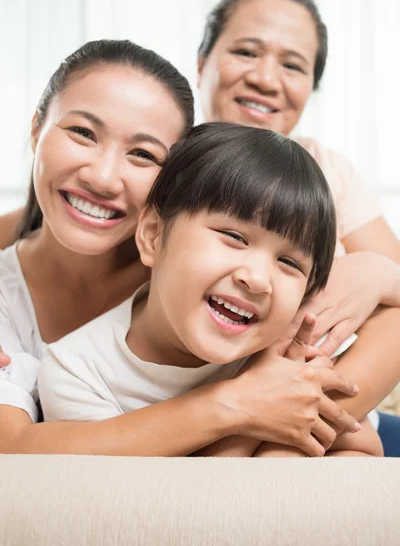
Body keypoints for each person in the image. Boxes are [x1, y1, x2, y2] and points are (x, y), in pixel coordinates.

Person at [0, 39, 360, 457]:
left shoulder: (228, 275)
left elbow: (377, 334)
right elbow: (13, 449)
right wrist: (239, 407)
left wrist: (380, 273)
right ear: (35, 130)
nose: (102, 177)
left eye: (142, 154)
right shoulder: (68, 356)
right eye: (82, 132)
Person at [37, 123, 381, 457]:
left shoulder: (294, 342)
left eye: (289, 263)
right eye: (234, 237)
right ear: (154, 235)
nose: (258, 279)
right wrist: (247, 425)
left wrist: (278, 458)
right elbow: (137, 507)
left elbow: (364, 448)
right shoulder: (77, 373)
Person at [196, 0, 400, 454]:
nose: (267, 79)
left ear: (311, 86)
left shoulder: (329, 170)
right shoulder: (158, 162)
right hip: (219, 414)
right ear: (203, 60)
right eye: (246, 52)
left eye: (293, 65)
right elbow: (34, 230)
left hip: (341, 416)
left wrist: (373, 272)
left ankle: (280, 446)